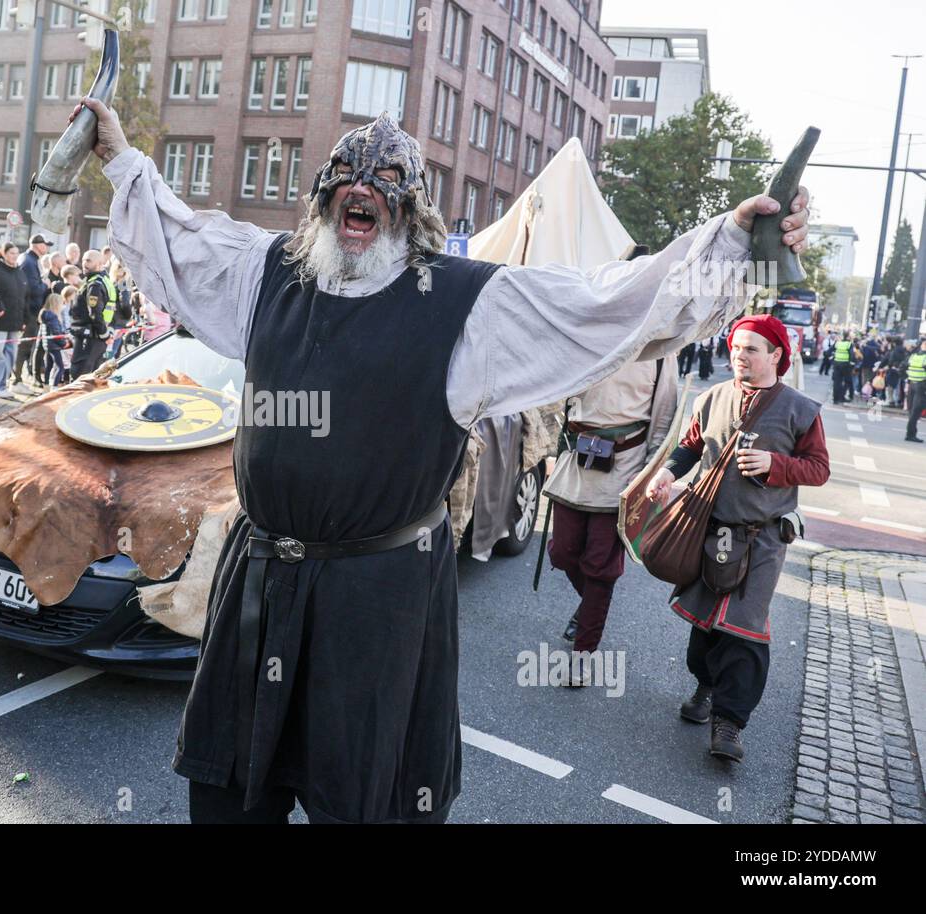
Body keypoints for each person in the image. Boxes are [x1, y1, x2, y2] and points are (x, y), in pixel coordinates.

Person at [77, 95, 810, 822]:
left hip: (376, 595)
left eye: (382, 180)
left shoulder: (465, 304)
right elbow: (186, 238)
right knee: (231, 792)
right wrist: (120, 158)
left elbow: (602, 303)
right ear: (324, 195)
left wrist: (730, 243)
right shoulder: (270, 272)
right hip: (262, 580)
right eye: (345, 177)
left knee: (361, 798)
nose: (360, 190)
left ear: (411, 207)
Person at [646, 316, 829, 763]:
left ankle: (728, 723)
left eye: (750, 349)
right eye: (736, 347)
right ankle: (705, 685)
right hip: (710, 530)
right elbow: (690, 446)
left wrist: (775, 464)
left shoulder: (801, 409)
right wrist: (666, 473)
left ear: (776, 356)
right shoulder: (713, 397)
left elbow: (819, 469)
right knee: (705, 620)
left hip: (763, 538)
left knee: (744, 629)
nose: (739, 355)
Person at [545, 247, 677, 661]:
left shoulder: (660, 346)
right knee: (562, 552)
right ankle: (588, 610)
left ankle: (585, 652)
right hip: (577, 460)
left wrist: (652, 471)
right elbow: (557, 393)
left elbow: (665, 412)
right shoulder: (588, 336)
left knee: (600, 566)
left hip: (624, 465)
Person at [0, 243, 27, 397]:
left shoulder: (20, 273)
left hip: (15, 323)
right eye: (11, 253)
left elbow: (23, 298)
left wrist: (24, 319)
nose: (14, 256)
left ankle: (3, 384)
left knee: (11, 355)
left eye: (17, 253)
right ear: (4, 254)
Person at [16, 233, 51, 392]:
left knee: (27, 346)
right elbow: (32, 288)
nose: (47, 247)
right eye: (45, 244)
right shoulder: (28, 261)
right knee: (24, 346)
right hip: (29, 311)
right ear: (38, 245)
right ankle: (16, 380)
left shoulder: (32, 260)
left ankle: (19, 378)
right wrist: (46, 285)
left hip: (33, 310)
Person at [69, 249, 111, 377]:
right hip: (90, 336)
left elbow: (95, 313)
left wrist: (104, 333)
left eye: (88, 260)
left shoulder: (95, 285)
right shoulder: (93, 280)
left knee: (80, 375)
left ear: (99, 264)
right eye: (83, 260)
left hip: (90, 337)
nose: (84, 263)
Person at [38, 290, 68, 388]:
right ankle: (54, 387)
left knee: (49, 366)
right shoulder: (53, 317)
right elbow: (56, 333)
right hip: (54, 346)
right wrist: (64, 343)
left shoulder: (45, 315)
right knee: (60, 367)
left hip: (47, 345)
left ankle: (46, 386)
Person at [905, 340, 926, 443]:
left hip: (912, 385)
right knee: (916, 411)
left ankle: (910, 433)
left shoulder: (913, 356)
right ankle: (910, 434)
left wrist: (908, 379)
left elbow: (903, 366)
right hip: (921, 386)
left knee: (912, 410)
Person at [831, 331, 854, 404]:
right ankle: (842, 397)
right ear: (847, 337)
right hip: (845, 365)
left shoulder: (837, 343)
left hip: (836, 364)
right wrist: (852, 363)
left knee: (837, 382)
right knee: (847, 381)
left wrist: (830, 357)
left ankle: (835, 399)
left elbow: (828, 351)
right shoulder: (849, 344)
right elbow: (851, 355)